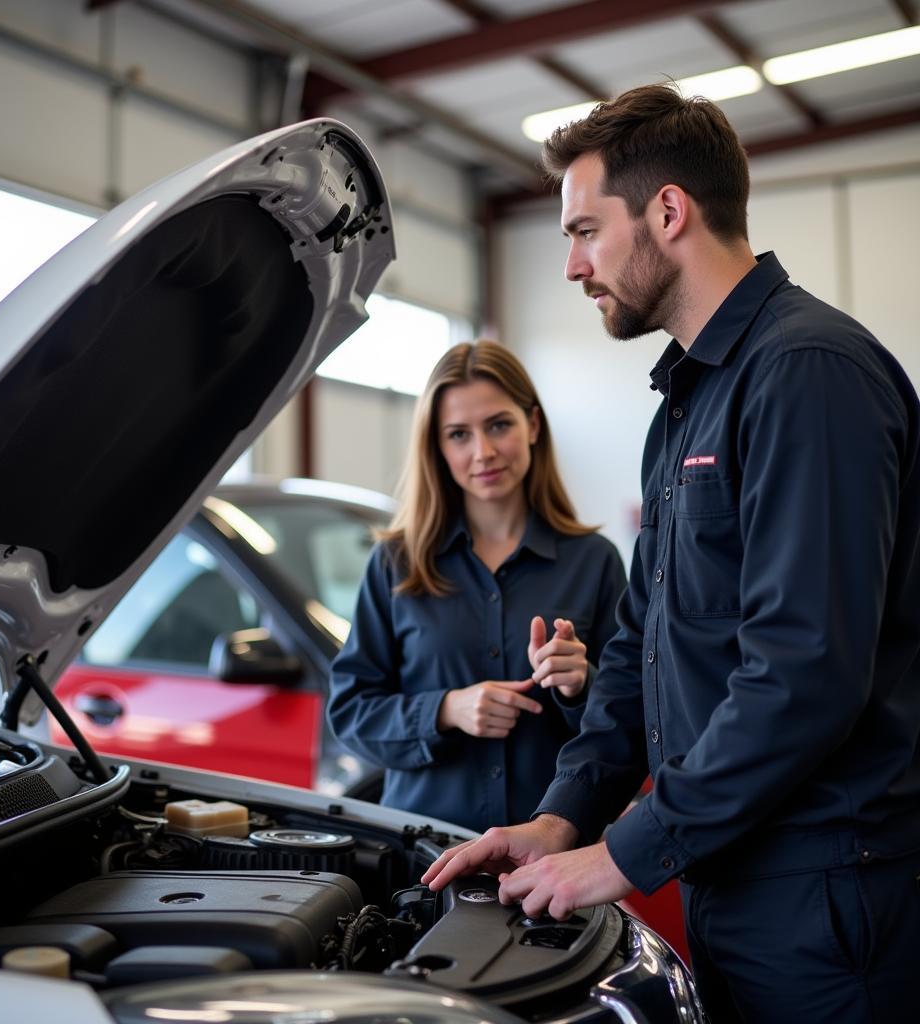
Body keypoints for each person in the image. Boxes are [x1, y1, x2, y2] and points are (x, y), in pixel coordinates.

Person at [422, 84, 920, 1024]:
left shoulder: (808, 375)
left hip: (831, 898)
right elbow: (640, 645)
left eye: (583, 231)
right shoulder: (685, 406)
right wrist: (562, 816)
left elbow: (804, 670)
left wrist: (623, 853)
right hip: (731, 877)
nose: (572, 266)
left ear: (667, 210)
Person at [327, 340, 626, 834]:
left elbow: (634, 723)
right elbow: (350, 713)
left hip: (552, 865)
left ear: (532, 424)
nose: (482, 452)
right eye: (458, 434)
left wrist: (581, 685)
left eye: (499, 425)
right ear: (438, 448)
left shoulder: (594, 563)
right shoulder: (396, 563)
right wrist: (445, 710)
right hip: (425, 860)